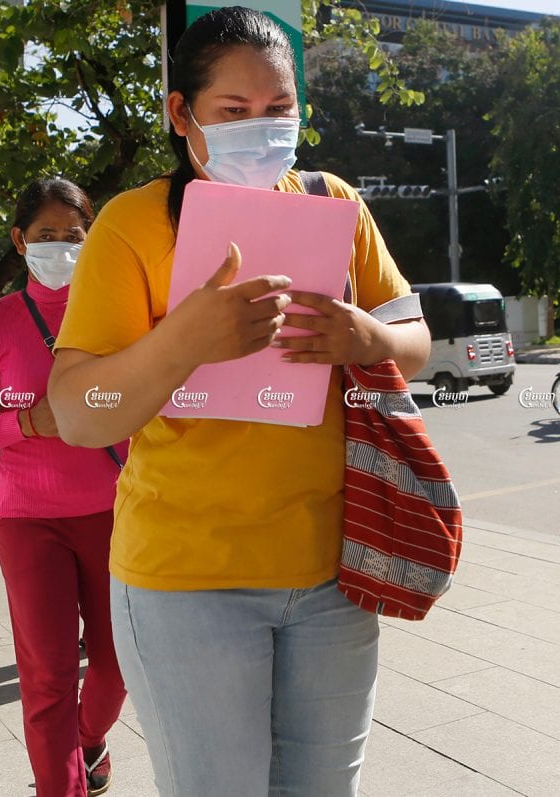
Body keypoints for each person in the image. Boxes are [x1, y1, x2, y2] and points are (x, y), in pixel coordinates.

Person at [46, 7, 430, 794]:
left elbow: (416, 339)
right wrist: (184, 338)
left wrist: (367, 338)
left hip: (335, 576)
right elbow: (81, 412)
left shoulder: (335, 203)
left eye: (278, 110)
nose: (263, 129)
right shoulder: (133, 224)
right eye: (235, 112)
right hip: (187, 584)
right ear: (181, 114)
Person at [0, 178, 127, 797]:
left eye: (74, 236)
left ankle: (88, 739)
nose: (61, 247)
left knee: (118, 664)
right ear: (20, 241)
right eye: (46, 236)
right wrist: (24, 421)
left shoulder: (117, 314)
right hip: (29, 523)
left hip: (114, 515)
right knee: (47, 677)